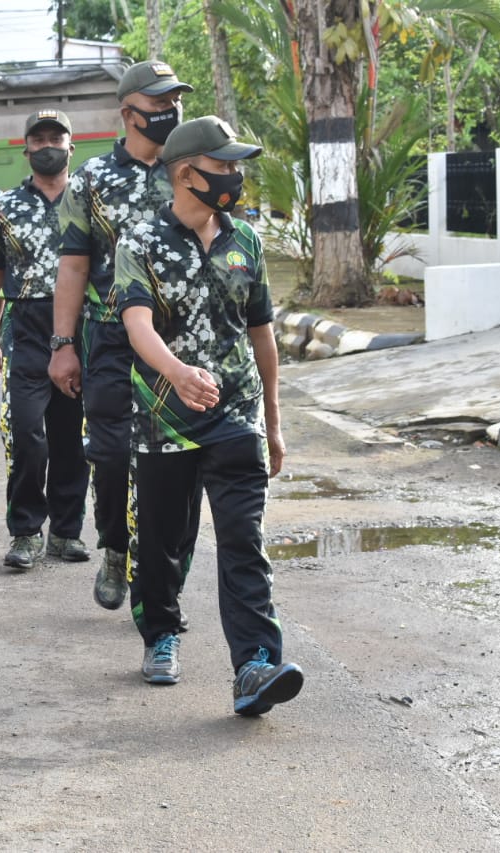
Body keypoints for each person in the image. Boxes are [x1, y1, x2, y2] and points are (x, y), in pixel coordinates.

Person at [116, 115, 303, 715]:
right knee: (163, 542)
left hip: (236, 413)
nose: (235, 175)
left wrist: (272, 420)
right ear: (186, 173)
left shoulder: (245, 240)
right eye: (224, 165)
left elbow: (262, 336)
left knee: (244, 542)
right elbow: (136, 323)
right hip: (163, 419)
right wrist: (175, 372)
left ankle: (254, 666)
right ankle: (161, 632)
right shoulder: (139, 242)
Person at [50, 59, 194, 612]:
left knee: (179, 461)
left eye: (173, 100)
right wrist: (64, 345)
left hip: (179, 338)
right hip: (110, 336)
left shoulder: (189, 167)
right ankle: (115, 547)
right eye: (159, 103)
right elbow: (73, 267)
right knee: (109, 454)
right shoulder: (90, 180)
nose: (169, 111)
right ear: (128, 113)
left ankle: (168, 571)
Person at [0, 110, 90, 571]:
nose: (47, 145)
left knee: (72, 437)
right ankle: (25, 531)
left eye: (56, 137)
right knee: (27, 433)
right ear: (25, 148)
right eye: (38, 138)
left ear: (71, 145)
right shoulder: (3, 207)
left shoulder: (90, 201)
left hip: (85, 326)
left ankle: (67, 532)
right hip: (27, 327)